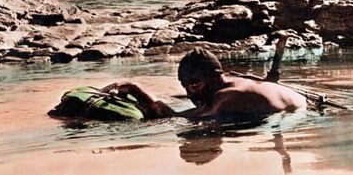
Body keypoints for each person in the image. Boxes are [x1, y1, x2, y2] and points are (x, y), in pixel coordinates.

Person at [101, 47, 307, 119]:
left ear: (217, 76)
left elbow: (172, 119)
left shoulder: (226, 98)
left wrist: (136, 89)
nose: (190, 93)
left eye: (195, 84)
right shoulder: (236, 82)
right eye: (185, 86)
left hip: (299, 117)